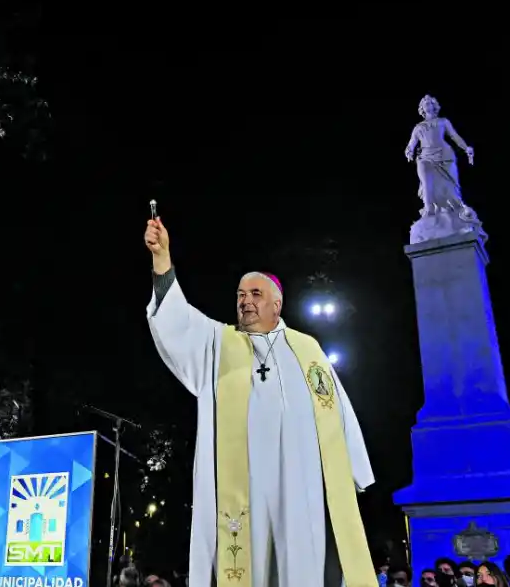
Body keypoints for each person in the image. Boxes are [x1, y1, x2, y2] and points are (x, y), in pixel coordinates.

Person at [144, 217, 374, 587]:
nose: (245, 302)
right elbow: (177, 323)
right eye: (240, 295)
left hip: (301, 487)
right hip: (244, 489)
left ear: (277, 304)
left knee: (302, 563)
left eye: (255, 295)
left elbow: (339, 413)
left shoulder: (308, 350)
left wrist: (355, 473)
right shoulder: (219, 343)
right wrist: (162, 259)